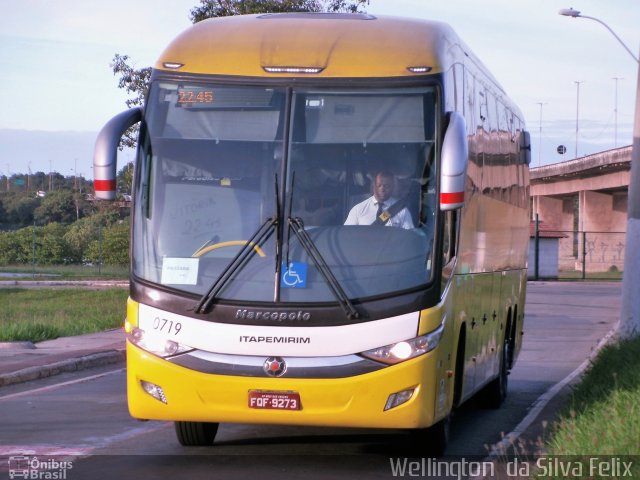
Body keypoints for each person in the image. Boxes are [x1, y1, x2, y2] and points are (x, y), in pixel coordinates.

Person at [344, 170, 414, 229]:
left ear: (392, 188)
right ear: (373, 186)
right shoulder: (358, 209)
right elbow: (347, 235)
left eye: (386, 186)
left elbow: (409, 237)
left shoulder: (402, 211)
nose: (382, 189)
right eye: (379, 185)